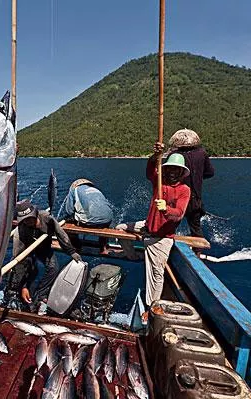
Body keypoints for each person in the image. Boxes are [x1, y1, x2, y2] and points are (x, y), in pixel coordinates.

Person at [116, 143, 190, 311]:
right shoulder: (159, 181)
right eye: (170, 168)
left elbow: (179, 213)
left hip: (162, 237)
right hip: (148, 226)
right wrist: (156, 155)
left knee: (156, 275)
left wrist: (166, 209)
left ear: (181, 172)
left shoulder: (184, 190)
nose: (172, 172)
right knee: (120, 228)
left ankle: (152, 308)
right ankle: (134, 256)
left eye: (176, 170)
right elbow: (150, 169)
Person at [5, 201, 82, 312]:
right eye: (25, 220)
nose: (28, 221)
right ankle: (21, 292)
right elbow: (19, 256)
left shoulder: (47, 218)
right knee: (31, 271)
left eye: (30, 218)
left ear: (35, 214)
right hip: (27, 250)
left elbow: (61, 234)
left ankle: (41, 294)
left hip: (44, 247)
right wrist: (23, 286)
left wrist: (71, 251)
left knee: (53, 268)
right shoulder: (21, 231)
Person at [167, 129, 214, 239]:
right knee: (195, 228)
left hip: (178, 197)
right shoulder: (202, 153)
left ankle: (166, 247)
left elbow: (167, 175)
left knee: (169, 225)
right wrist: (197, 178)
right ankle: (197, 252)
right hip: (195, 198)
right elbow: (210, 173)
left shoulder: (175, 155)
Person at [60, 178, 114, 254]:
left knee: (68, 226)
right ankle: (103, 248)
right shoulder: (96, 190)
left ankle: (77, 247)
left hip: (91, 221)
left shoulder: (74, 190)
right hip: (107, 220)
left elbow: (69, 210)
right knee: (102, 219)